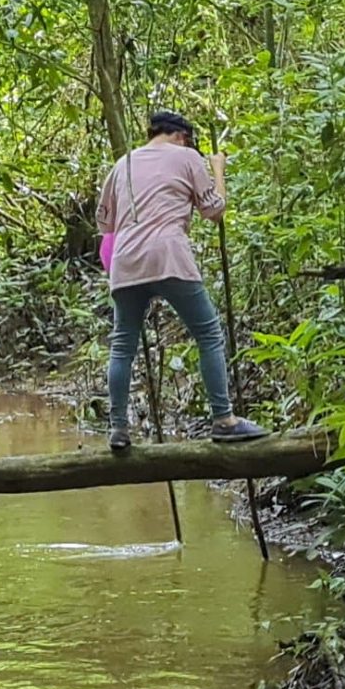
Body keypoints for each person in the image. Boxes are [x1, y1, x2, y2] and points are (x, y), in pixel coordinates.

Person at [96, 109, 269, 454]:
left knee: (122, 345)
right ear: (180, 136)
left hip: (126, 262)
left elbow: (105, 224)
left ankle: (118, 428)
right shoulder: (187, 157)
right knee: (208, 333)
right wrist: (218, 169)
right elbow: (213, 210)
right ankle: (223, 419)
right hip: (169, 256)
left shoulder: (122, 164)